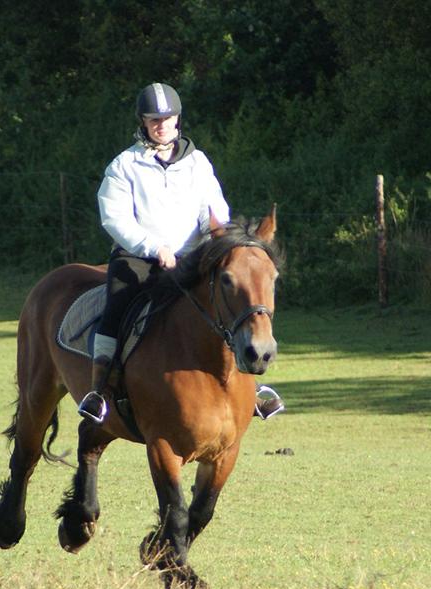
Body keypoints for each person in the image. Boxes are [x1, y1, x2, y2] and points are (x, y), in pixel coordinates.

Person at [78, 82, 284, 424]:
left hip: (192, 258)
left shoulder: (198, 163)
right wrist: (152, 247)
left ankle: (251, 387)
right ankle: (100, 390)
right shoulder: (123, 165)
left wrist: (219, 235)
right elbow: (114, 218)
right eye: (154, 119)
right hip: (138, 259)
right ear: (143, 122)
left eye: (168, 118)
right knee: (116, 306)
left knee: (231, 305)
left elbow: (214, 208)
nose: (162, 125)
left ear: (177, 120)